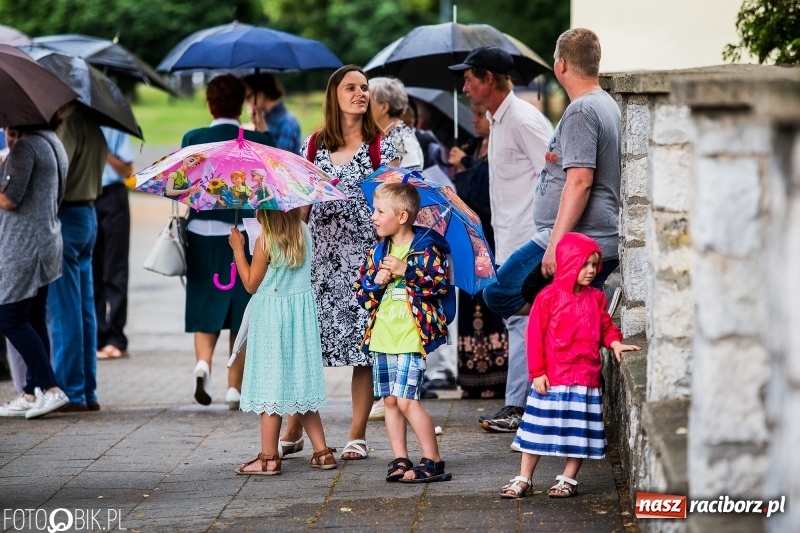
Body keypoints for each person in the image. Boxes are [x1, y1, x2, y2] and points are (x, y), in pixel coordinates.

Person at [481, 28, 622, 391]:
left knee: (497, 294)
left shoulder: (581, 111)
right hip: (592, 235)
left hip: (573, 240)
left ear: (561, 65)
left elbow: (580, 182)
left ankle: (570, 316)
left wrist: (555, 244)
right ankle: (576, 315)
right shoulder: (606, 104)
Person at [280, 65, 398, 461]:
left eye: (364, 88)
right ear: (335, 95)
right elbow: (299, 210)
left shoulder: (380, 147)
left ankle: (356, 434)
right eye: (351, 87)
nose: (360, 93)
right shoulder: (312, 146)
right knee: (308, 345)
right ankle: (297, 424)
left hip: (366, 264)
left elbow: (395, 205)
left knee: (362, 351)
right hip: (319, 266)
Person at [449, 45, 553, 433]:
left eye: (469, 77)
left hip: (530, 237)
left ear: (488, 79)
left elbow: (558, 175)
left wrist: (551, 238)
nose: (464, 85)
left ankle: (520, 407)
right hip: (509, 236)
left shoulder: (524, 119)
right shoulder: (500, 120)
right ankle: (524, 405)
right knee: (517, 319)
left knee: (519, 320)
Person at [499, 233, 640, 498]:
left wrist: (615, 343)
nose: (590, 271)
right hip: (553, 376)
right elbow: (534, 338)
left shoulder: (596, 298)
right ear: (568, 263)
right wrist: (537, 372)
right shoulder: (548, 298)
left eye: (594, 265)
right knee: (537, 429)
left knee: (579, 431)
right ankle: (524, 477)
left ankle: (567, 479)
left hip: (585, 378)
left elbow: (606, 327)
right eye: (584, 264)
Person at [181, 74, 274, 409]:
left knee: (206, 301)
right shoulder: (257, 140)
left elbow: (184, 190)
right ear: (242, 104)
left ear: (210, 102)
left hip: (202, 232)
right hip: (244, 234)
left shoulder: (194, 138)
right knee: (240, 308)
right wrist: (261, 129)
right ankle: (234, 387)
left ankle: (203, 363)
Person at [354, 182, 452, 483]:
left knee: (408, 400)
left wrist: (405, 270)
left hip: (411, 337)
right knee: (391, 401)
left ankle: (433, 459)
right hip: (383, 336)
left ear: (402, 216)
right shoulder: (377, 251)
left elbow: (438, 284)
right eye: (374, 210)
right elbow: (363, 295)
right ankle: (400, 458)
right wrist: (377, 281)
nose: (373, 216)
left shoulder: (425, 248)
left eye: (380, 211)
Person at [229, 208, 337, 475]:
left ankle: (268, 459)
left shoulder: (264, 240)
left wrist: (238, 249)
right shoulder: (304, 232)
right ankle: (322, 453)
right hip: (300, 317)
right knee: (301, 386)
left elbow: (251, 284)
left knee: (270, 386)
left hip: (271, 317)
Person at [0, 124, 71, 419]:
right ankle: (31, 392)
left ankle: (51, 388)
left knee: (9, 317)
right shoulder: (52, 141)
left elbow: (8, 200)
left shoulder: (25, 148)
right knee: (33, 317)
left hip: (23, 245)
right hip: (47, 239)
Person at [448, 103, 509, 399]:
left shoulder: (496, 147)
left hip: (491, 235)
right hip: (469, 238)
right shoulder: (470, 147)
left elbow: (487, 189)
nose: (473, 120)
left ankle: (495, 376)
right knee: (469, 295)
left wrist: (466, 167)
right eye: (471, 114)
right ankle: (471, 377)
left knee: (490, 300)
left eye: (478, 114)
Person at [49, 103, 108, 412]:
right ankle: (86, 390)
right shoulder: (94, 126)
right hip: (88, 214)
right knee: (84, 307)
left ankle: (71, 390)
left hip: (68, 215)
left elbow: (58, 170)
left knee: (64, 310)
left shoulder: (70, 126)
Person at [93, 127, 135, 360]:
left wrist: (102, 150)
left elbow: (127, 169)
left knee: (116, 269)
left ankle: (117, 337)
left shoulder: (113, 126)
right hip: (87, 195)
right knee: (92, 270)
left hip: (113, 195)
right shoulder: (79, 123)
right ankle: (98, 337)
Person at [369, 77, 424, 171]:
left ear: (384, 107)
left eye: (367, 102)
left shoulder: (401, 136)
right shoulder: (387, 133)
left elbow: (410, 179)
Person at [242, 73, 302, 155]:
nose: (247, 102)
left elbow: (280, 162)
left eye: (248, 97)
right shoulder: (265, 119)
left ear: (260, 95)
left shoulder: (287, 123)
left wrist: (263, 131)